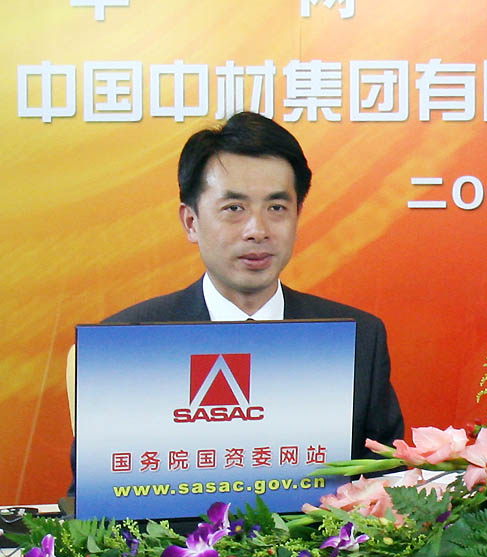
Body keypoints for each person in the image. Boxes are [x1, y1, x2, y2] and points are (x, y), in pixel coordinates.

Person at [100, 111, 404, 460]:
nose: (257, 230)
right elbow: (97, 488)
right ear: (191, 222)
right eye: (234, 208)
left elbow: (388, 476)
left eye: (276, 207)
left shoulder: (357, 339)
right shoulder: (127, 345)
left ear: (297, 215)